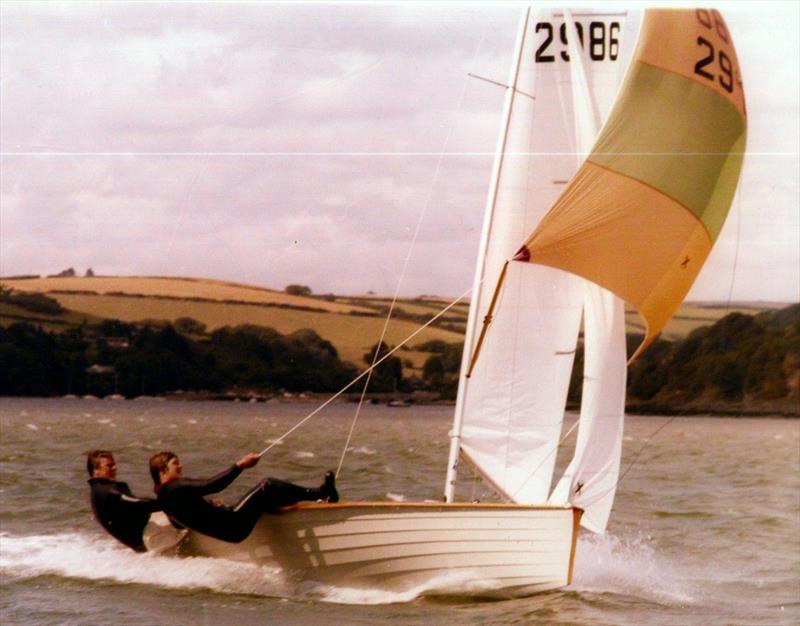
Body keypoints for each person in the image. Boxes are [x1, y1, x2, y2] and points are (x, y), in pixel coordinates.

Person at [149, 451, 338, 543]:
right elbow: (212, 485)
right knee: (267, 486)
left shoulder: (163, 497)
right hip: (234, 524)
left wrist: (207, 507)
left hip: (228, 530)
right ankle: (321, 494)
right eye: (175, 464)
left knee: (261, 498)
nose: (180, 467)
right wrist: (240, 465)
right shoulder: (175, 487)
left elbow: (180, 522)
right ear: (162, 471)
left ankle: (281, 507)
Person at [87, 450, 162, 552]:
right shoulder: (107, 492)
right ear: (96, 470)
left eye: (114, 464)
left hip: (143, 537)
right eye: (109, 466)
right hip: (148, 538)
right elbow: (137, 503)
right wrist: (167, 504)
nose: (115, 468)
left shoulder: (100, 488)